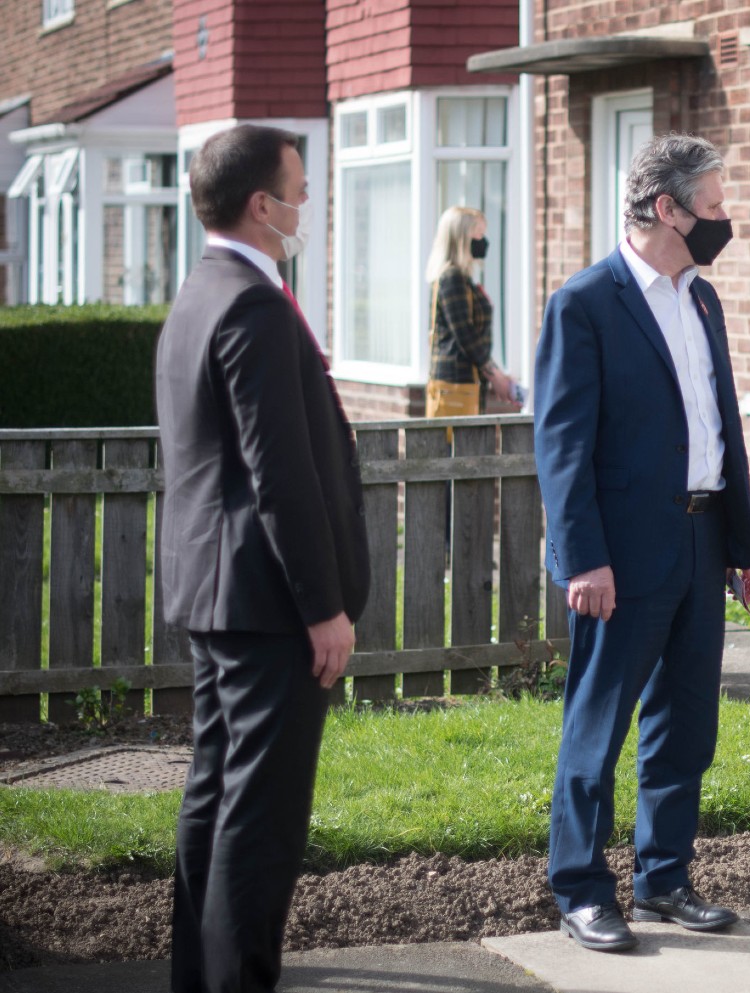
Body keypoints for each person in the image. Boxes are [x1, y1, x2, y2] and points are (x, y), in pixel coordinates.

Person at [532, 132, 750, 953]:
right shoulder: (585, 303)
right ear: (667, 208)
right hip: (620, 560)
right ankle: (581, 888)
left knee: (686, 725)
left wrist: (741, 543)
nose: (725, 218)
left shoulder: (703, 299)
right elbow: (561, 448)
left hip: (702, 545)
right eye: (714, 205)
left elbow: (719, 427)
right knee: (597, 724)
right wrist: (582, 558)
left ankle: (664, 877)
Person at [155, 124, 370, 993]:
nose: (307, 201)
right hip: (268, 602)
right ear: (260, 204)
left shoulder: (198, 291)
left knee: (215, 796)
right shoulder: (249, 303)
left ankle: (196, 978)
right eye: (298, 185)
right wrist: (324, 606)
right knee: (261, 816)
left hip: (216, 594)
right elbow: (277, 473)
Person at [425, 205, 518, 416]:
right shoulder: (452, 278)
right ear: (462, 238)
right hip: (456, 384)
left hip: (465, 382)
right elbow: (465, 334)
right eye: (479, 234)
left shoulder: (463, 279)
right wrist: (496, 375)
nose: (483, 241)